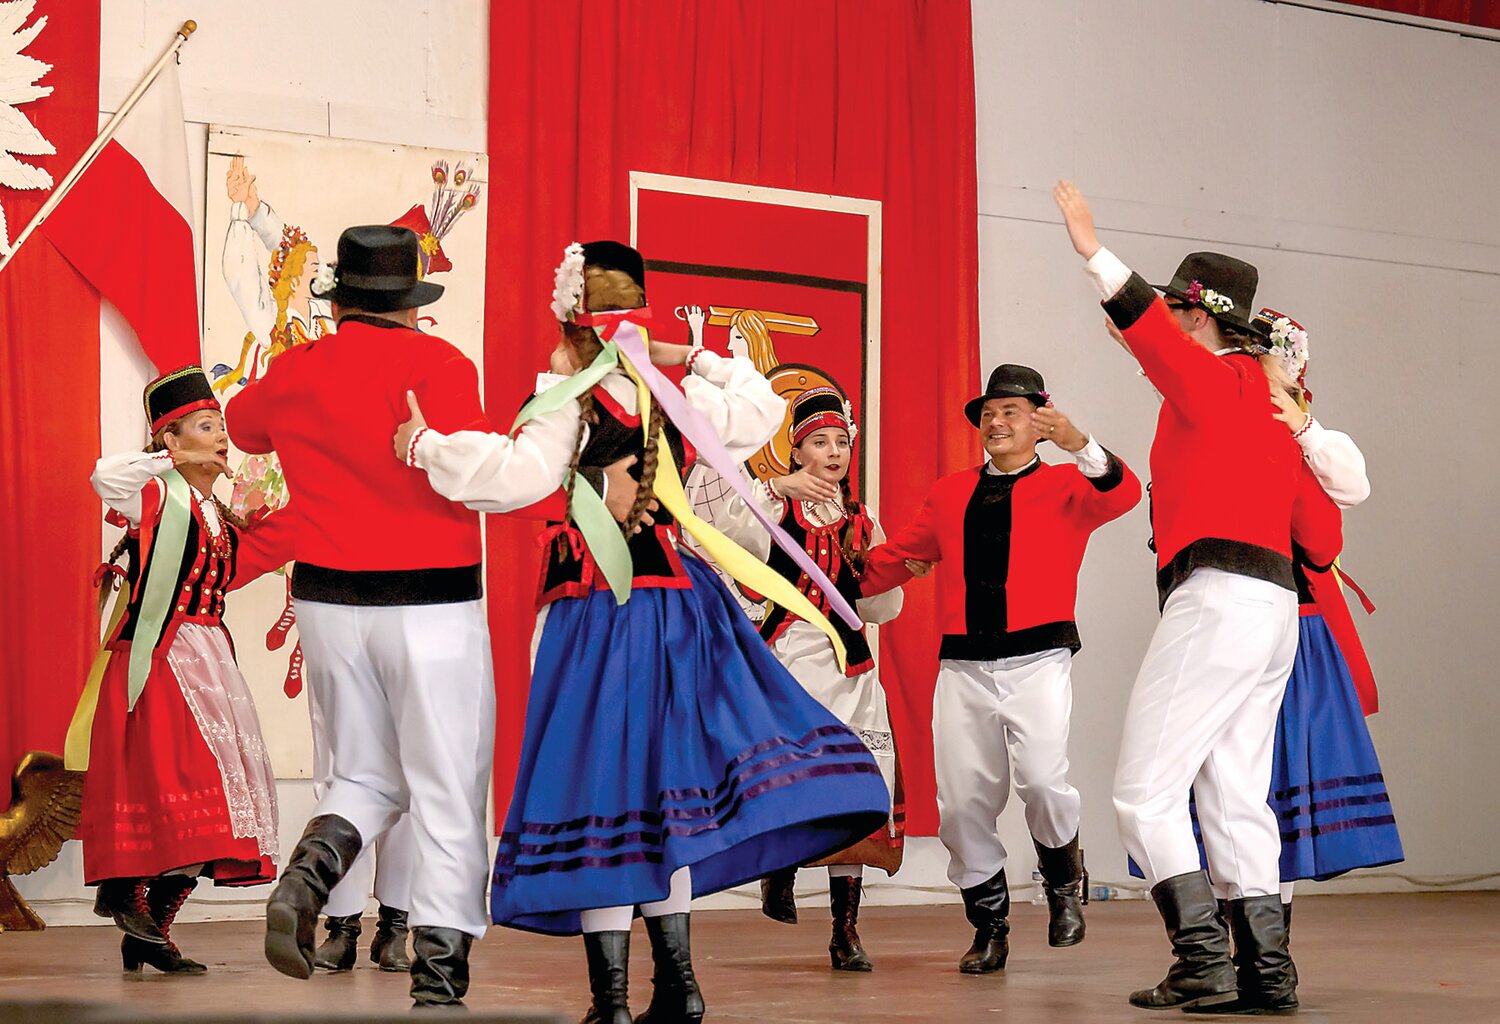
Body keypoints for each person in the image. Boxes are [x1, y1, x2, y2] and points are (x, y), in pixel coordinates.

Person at [400, 240, 892, 1024]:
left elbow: (518, 475)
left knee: (603, 798)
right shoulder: (666, 388)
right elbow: (761, 409)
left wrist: (424, 446)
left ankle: (616, 1003)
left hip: (602, 609)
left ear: (571, 314)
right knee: (663, 800)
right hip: (681, 606)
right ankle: (679, 988)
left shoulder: (572, 388)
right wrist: (693, 353)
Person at [228, 225, 581, 1007]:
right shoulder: (442, 365)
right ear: (411, 302)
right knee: (447, 786)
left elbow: (244, 427)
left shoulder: (294, 371)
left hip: (326, 599)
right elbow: (482, 471)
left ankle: (309, 874)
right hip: (430, 600)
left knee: (358, 773)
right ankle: (438, 976)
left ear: (340, 299)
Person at [1054, 181, 1342, 1014]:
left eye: (1182, 312)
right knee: (1234, 792)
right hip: (1275, 609)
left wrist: (1091, 248)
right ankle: (1268, 975)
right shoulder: (1269, 405)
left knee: (1144, 790)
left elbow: (1146, 327)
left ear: (1199, 317)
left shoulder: (1214, 379)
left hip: (1215, 597)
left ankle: (1203, 959)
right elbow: (1322, 539)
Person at [858, 364, 1140, 974]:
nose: (995, 421)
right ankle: (989, 925)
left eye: (1009, 411)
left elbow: (1125, 492)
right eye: (988, 412)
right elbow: (895, 558)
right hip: (962, 664)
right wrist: (811, 567)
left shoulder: (1069, 485)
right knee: (961, 804)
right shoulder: (950, 492)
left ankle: (1065, 886)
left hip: (1039, 658)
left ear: (1039, 422)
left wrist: (1080, 443)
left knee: (1042, 779)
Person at [70, 366, 291, 975]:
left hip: (208, 656)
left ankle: (150, 929)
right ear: (170, 440)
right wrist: (165, 460)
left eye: (221, 425)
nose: (221, 436)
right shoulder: (155, 495)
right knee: (183, 781)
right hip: (159, 656)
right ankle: (123, 894)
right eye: (204, 426)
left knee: (226, 794)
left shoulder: (216, 511)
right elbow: (103, 475)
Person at [716, 386, 907, 972]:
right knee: (794, 776)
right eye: (819, 442)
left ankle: (844, 931)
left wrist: (893, 570)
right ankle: (780, 868)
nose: (833, 452)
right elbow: (722, 533)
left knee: (856, 788)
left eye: (841, 441)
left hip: (849, 667)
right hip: (788, 662)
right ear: (796, 450)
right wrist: (773, 488)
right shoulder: (772, 507)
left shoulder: (859, 518)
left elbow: (882, 608)